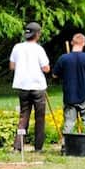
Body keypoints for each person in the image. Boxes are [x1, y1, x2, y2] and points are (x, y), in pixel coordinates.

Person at [53, 33, 85, 145]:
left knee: (69, 123)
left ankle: (66, 146)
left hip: (69, 96)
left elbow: (54, 75)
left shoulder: (63, 59)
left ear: (72, 42)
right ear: (84, 43)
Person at [9, 21, 50, 153]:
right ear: (37, 34)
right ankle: (38, 147)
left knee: (24, 116)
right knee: (39, 117)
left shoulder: (17, 47)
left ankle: (18, 146)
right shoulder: (39, 49)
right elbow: (46, 68)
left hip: (22, 86)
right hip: (37, 86)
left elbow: (12, 66)